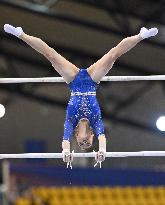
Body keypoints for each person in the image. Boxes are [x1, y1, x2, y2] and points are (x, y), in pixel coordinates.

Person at [4, 24, 158, 168]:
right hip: (92, 80)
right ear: (92, 136)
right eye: (88, 144)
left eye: (81, 144)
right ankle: (140, 36)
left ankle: (20, 34)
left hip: (73, 81)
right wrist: (102, 151)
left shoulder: (71, 121)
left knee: (50, 54)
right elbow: (102, 138)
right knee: (113, 55)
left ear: (76, 137)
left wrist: (65, 152)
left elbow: (64, 141)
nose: (84, 144)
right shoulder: (95, 121)